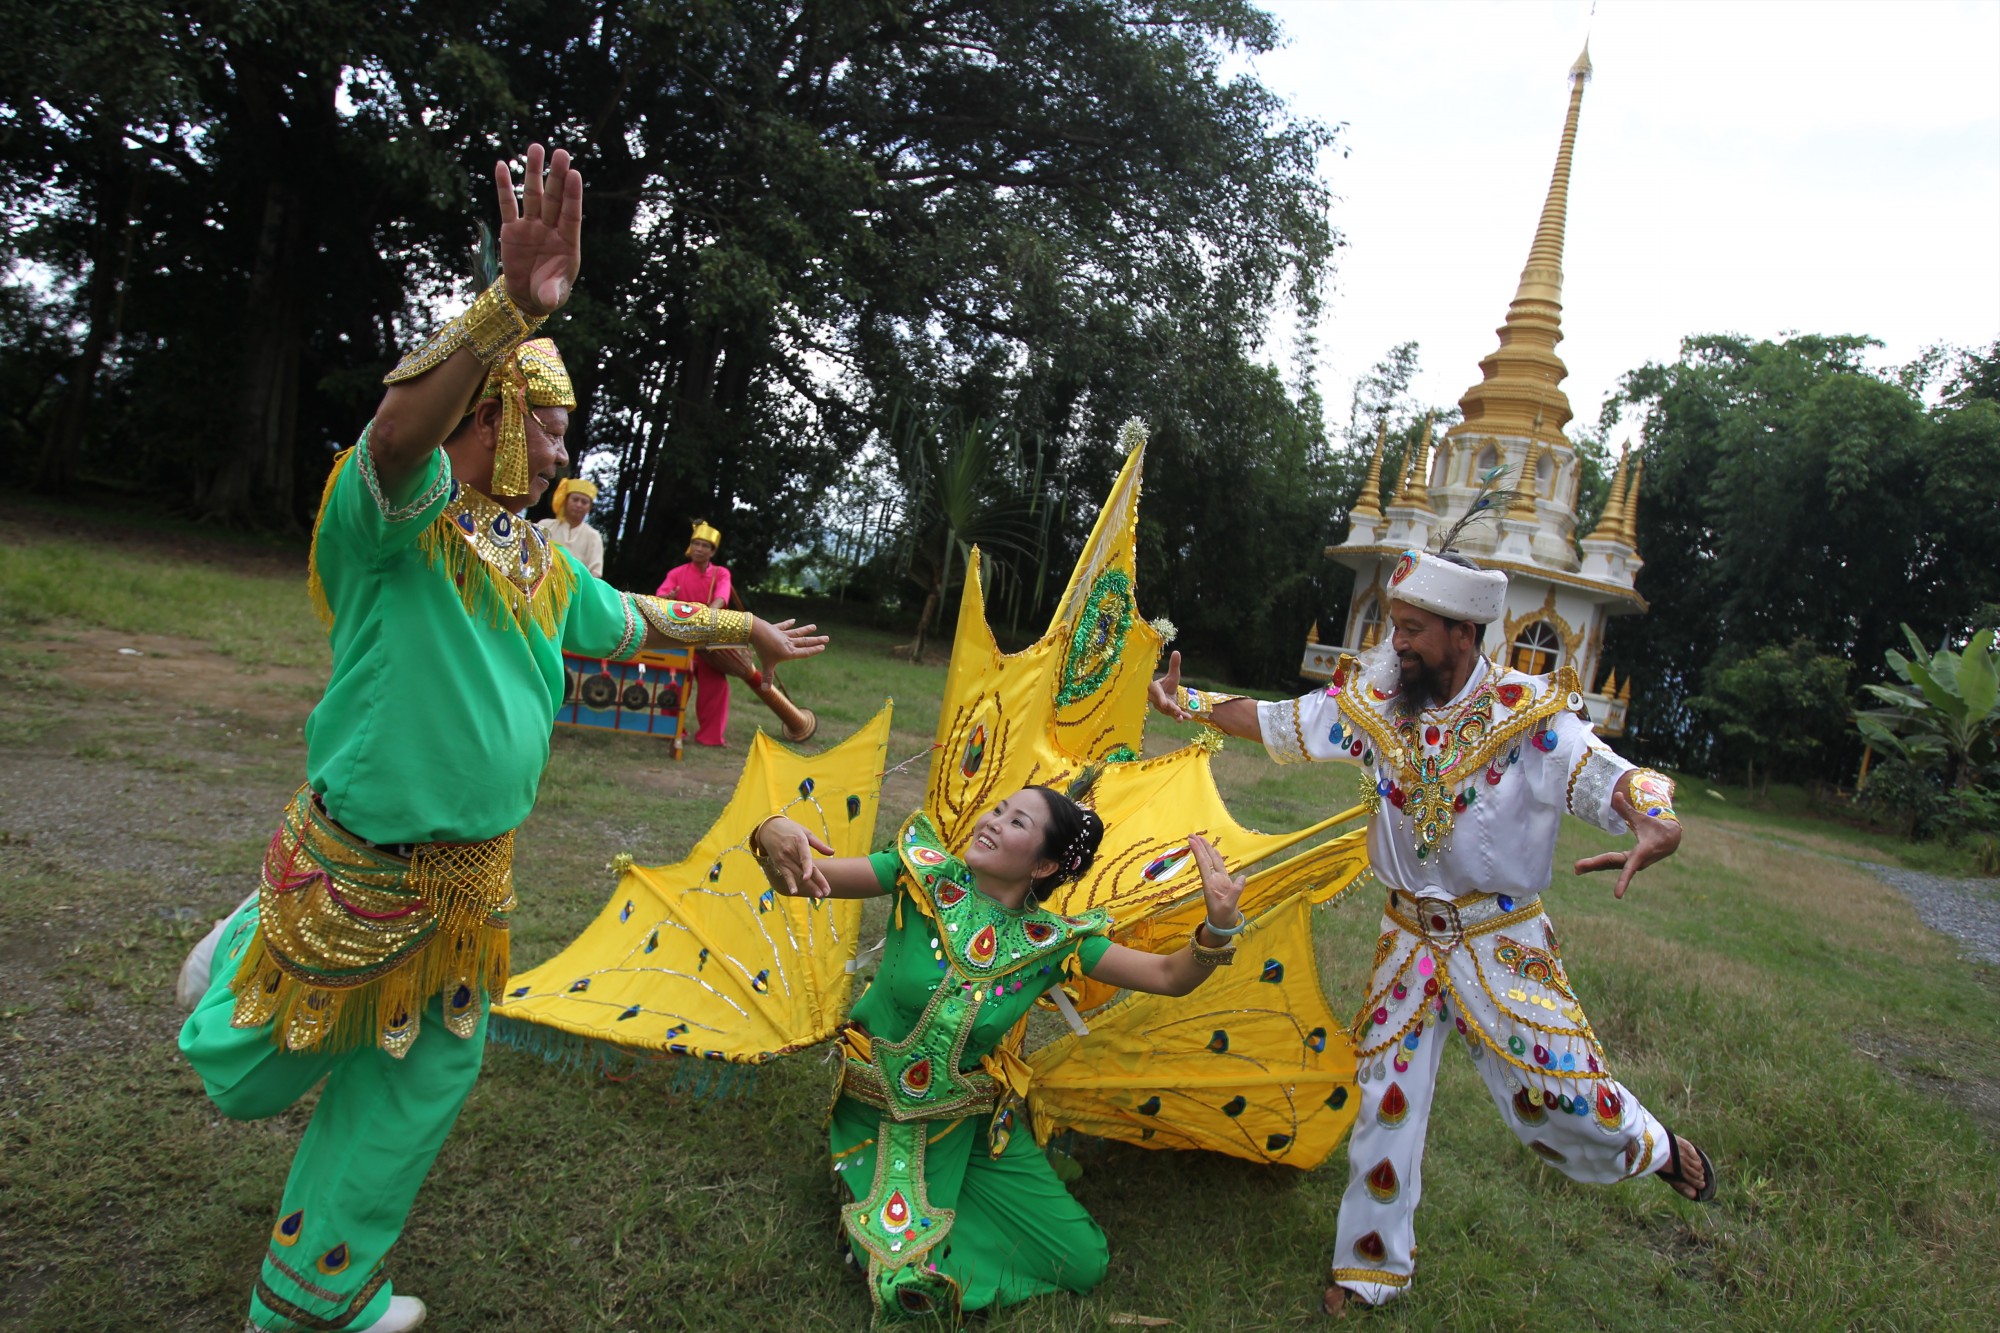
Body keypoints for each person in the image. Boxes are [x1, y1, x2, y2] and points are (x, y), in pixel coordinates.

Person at [175, 143, 828, 1333]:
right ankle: (234, 955)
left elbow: (634, 613)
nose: (571, 456)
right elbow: (393, 440)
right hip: (360, 870)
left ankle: (311, 1303)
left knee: (416, 1087)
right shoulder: (396, 518)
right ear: (489, 417)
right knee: (261, 1064)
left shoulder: (537, 561)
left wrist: (744, 628)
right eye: (551, 425)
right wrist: (509, 308)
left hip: (475, 887)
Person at [1147, 547, 1715, 1316]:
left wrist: (1656, 818)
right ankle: (1369, 1269)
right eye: (1395, 626)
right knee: (1386, 1095)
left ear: (1463, 633)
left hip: (1501, 941)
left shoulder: (1529, 713)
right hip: (1408, 936)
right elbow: (1286, 723)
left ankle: (1655, 1147)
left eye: (1413, 629)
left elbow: (1609, 775)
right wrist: (1193, 704)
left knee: (1564, 1102)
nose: (1398, 642)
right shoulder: (1382, 700)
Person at [752, 772, 1246, 1322]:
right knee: (909, 1289)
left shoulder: (1052, 943)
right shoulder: (919, 875)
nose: (992, 821)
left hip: (965, 1122)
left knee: (1084, 1262)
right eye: (999, 809)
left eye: (1017, 822)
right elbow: (802, 878)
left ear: (1043, 866)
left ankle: (912, 1219)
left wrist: (1217, 930)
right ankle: (879, 1218)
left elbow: (1169, 975)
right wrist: (770, 829)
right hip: (883, 1109)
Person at [655, 521, 733, 745]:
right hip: (680, 636)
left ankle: (711, 736)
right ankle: (670, 728)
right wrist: (669, 598)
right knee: (675, 683)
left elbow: (721, 597)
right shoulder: (676, 573)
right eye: (695, 544)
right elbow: (661, 597)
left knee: (716, 686)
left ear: (713, 551)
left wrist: (706, 616)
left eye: (704, 546)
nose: (698, 549)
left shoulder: (721, 573)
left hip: (707, 636)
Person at [537, 475, 604, 576]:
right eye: (575, 499)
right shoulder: (545, 525)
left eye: (584, 502)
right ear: (566, 501)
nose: (579, 505)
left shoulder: (593, 536)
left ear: (589, 508)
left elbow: (595, 573)